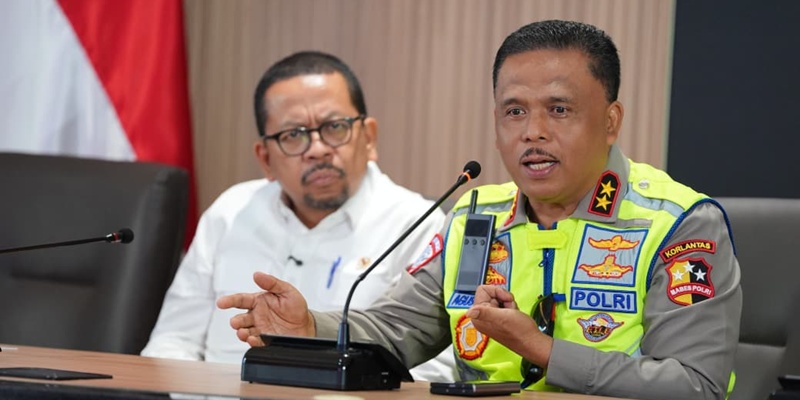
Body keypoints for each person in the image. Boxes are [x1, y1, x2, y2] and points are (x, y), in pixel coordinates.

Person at [217, 21, 742, 399]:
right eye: (514, 111)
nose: (533, 132)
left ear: (610, 121)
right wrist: (311, 324)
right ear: (496, 126)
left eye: (559, 109)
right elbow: (397, 328)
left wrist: (543, 350)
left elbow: (696, 385)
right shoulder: (477, 219)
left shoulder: (678, 223)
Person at [141, 51, 456, 382]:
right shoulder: (230, 212)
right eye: (293, 135)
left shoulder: (415, 224)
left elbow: (432, 370)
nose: (317, 149)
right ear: (265, 159)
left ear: (369, 138)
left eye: (335, 127)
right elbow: (172, 341)